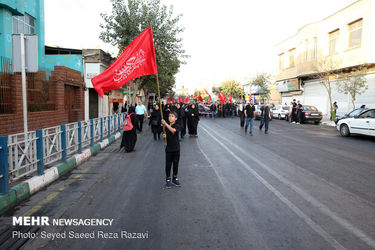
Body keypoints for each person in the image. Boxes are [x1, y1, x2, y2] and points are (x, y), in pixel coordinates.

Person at [162, 112, 181, 188]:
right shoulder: (165, 127)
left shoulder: (177, 126)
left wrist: (165, 124)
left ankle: (175, 178)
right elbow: (166, 137)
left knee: (175, 164)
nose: (170, 117)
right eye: (169, 116)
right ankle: (168, 179)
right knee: (168, 165)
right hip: (169, 149)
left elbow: (173, 131)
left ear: (176, 118)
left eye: (172, 116)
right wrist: (164, 137)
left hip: (176, 148)